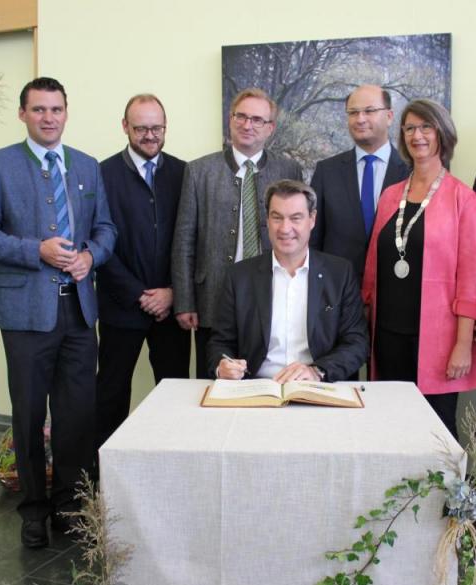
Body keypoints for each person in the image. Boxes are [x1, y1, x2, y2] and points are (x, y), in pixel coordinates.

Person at [0, 77, 117, 548]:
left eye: (56, 109)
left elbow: (106, 229)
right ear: (23, 114)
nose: (48, 118)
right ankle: (33, 510)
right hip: (26, 314)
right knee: (29, 415)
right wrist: (37, 250)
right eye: (39, 109)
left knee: (76, 416)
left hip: (79, 313)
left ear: (66, 113)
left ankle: (69, 507)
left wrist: (91, 255)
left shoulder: (87, 166)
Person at [361, 99, 476, 436]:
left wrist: (463, 344)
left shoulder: (462, 198)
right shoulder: (390, 196)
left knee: (435, 434)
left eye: (426, 127)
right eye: (410, 128)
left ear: (442, 132)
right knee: (388, 430)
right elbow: (372, 267)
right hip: (387, 337)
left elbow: (469, 278)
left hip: (437, 341)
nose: (417, 135)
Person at [172, 88, 303, 378]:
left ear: (270, 128)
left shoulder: (289, 170)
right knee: (216, 380)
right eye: (240, 116)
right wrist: (184, 301)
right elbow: (184, 240)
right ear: (230, 120)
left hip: (274, 295)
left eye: (257, 120)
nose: (247, 125)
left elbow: (301, 234)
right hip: (213, 297)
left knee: (269, 378)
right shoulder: (199, 171)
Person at [95, 94, 190, 449]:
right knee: (111, 393)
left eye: (157, 128)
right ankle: (103, 472)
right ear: (125, 127)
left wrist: (173, 292)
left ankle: (173, 461)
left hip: (171, 307)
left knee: (175, 394)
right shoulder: (101, 174)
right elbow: (98, 243)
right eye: (141, 128)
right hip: (120, 306)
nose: (150, 135)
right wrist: (138, 294)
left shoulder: (184, 173)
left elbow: (191, 239)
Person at [208, 180, 368, 382]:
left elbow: (357, 343)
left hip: (317, 386)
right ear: (267, 220)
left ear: (312, 219)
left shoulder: (340, 274)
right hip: (257, 387)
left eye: (295, 218)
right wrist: (222, 365)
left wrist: (317, 371)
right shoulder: (239, 276)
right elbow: (220, 343)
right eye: (277, 218)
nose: (285, 228)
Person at [309, 84, 409, 283]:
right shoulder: (326, 171)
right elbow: (312, 239)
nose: (360, 119)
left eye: (369, 111)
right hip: (336, 288)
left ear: (389, 117)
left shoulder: (410, 172)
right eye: (353, 112)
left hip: (396, 286)